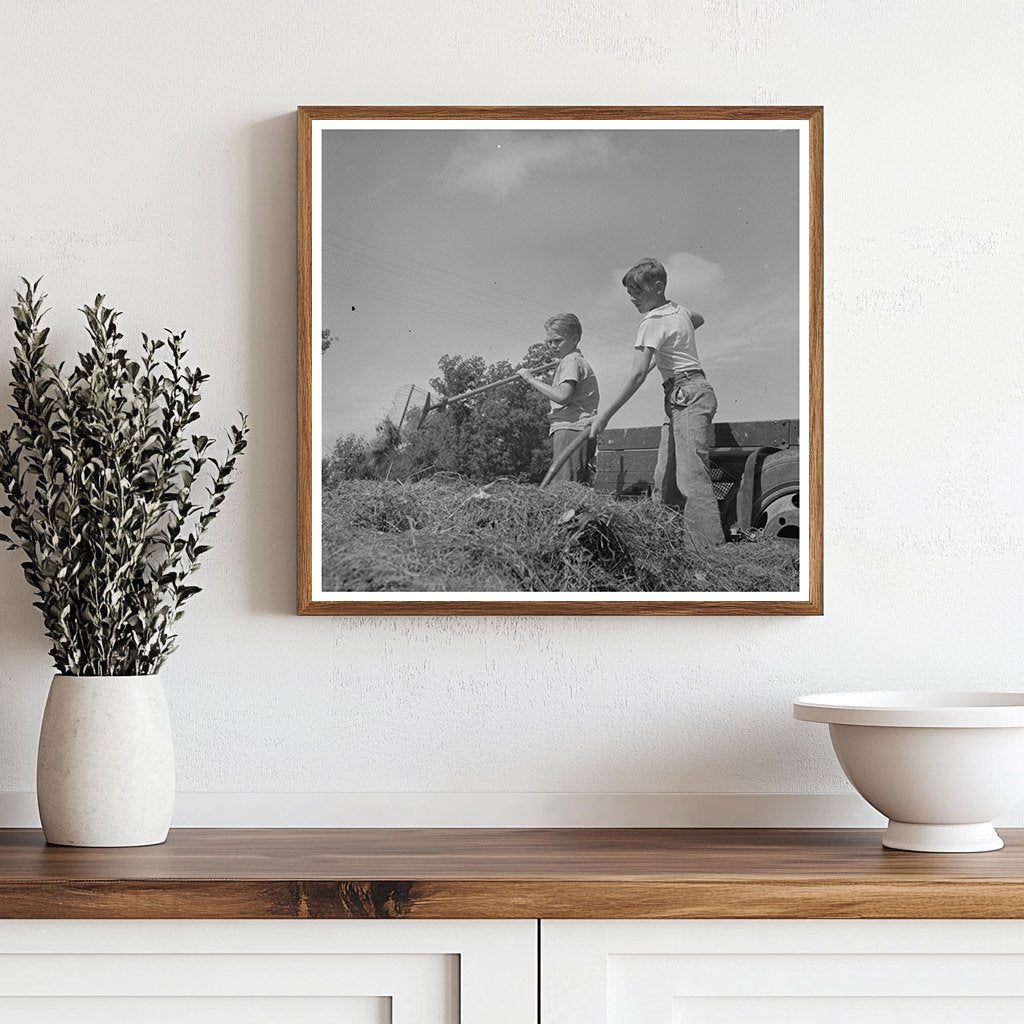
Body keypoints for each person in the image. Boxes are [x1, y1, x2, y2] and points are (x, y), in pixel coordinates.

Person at [589, 257, 726, 547]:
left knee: (691, 478)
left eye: (638, 291)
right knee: (665, 476)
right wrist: (670, 348)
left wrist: (605, 416)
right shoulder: (679, 310)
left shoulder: (651, 321)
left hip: (687, 395)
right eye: (630, 293)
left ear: (658, 287)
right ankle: (669, 544)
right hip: (684, 394)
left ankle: (710, 553)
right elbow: (698, 319)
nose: (633, 298)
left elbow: (638, 373)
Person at [517, 313, 600, 484]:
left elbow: (562, 396)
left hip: (570, 428)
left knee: (563, 487)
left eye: (558, 341)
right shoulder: (575, 360)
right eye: (549, 342)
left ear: (574, 339)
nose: (552, 346)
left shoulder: (571, 361)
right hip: (581, 429)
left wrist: (531, 379)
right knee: (575, 486)